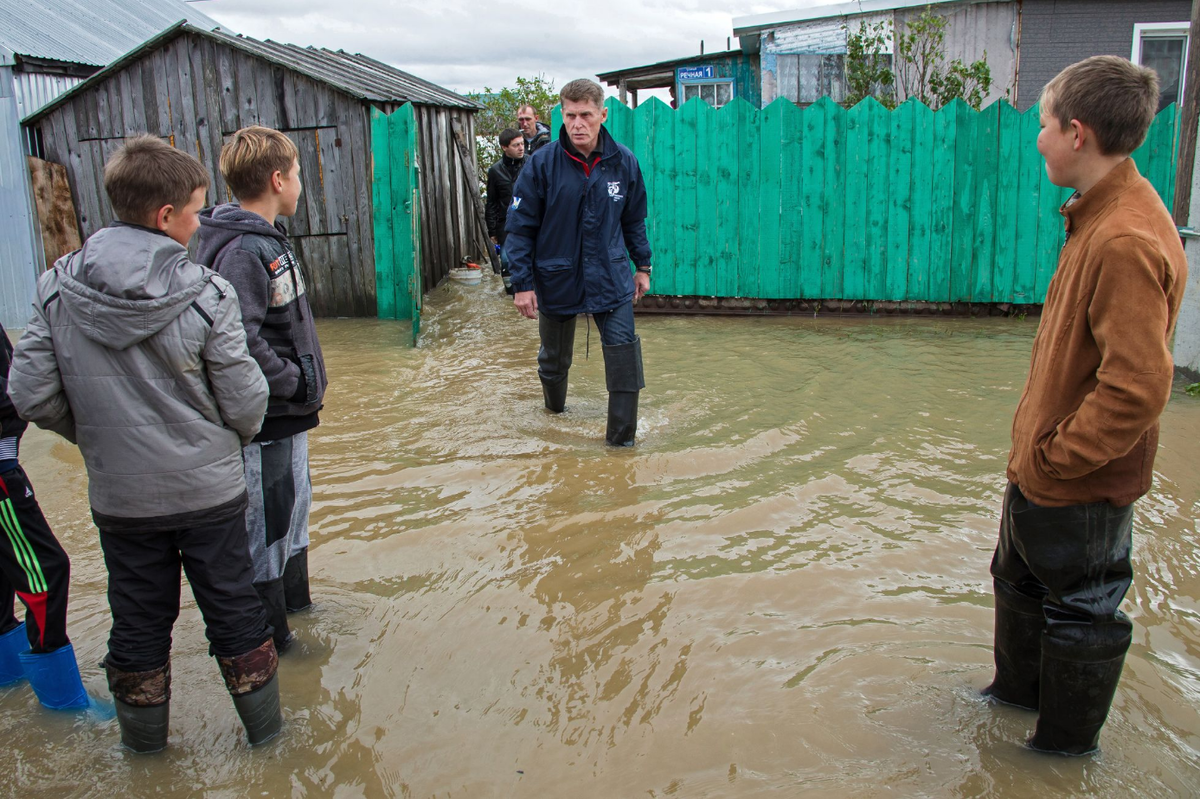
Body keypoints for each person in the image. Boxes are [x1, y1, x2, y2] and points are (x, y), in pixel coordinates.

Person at [8, 135, 281, 753]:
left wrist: (97, 436)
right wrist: (210, 439)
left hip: (121, 498)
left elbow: (29, 393)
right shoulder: (208, 293)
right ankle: (270, 748)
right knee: (235, 614)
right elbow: (247, 405)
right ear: (166, 217)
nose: (200, 221)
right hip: (209, 492)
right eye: (197, 210)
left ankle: (146, 761)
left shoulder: (56, 288)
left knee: (135, 622)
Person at [983, 56, 1186, 756]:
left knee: (1083, 615)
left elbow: (1134, 389)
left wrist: (1056, 459)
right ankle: (1012, 700)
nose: (1036, 138)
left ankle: (1058, 756)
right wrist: (1034, 461)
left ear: (1077, 133)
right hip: (1041, 472)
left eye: (1042, 124)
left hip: (1080, 482)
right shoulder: (1098, 212)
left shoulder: (1124, 238)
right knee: (1018, 582)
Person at [197, 125, 327, 654]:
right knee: (268, 530)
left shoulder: (267, 241)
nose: (300, 185)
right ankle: (276, 641)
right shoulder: (243, 250)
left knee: (293, 516)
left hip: (290, 416)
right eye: (297, 175)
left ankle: (299, 610)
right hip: (267, 420)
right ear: (278, 179)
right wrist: (294, 381)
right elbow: (241, 339)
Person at [506, 79, 652, 446]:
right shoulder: (541, 164)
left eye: (586, 115)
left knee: (624, 361)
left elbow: (634, 220)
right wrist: (521, 284)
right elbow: (520, 229)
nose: (578, 124)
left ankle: (621, 447)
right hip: (557, 277)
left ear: (603, 114)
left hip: (611, 276)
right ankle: (554, 417)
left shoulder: (623, 163)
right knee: (553, 361)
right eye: (570, 116)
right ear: (562, 115)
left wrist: (643, 267)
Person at [0, 321, 86, 711]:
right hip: (1, 474)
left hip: (5, 464)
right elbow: (17, 390)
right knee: (46, 572)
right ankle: (63, 703)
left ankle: (10, 679)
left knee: (7, 569)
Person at [486, 128, 525, 295]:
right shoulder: (495, 171)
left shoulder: (531, 164)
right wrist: (492, 230)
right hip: (505, 224)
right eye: (516, 145)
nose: (521, 148)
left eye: (522, 144)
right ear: (504, 147)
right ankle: (511, 297)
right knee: (507, 261)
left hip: (529, 220)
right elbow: (491, 202)